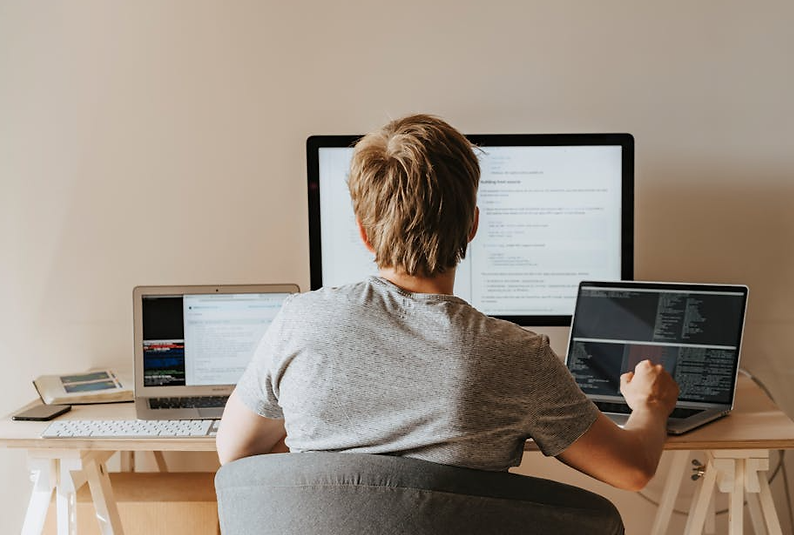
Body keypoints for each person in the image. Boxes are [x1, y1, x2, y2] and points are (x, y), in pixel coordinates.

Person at [216, 114, 678, 491]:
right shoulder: (518, 356)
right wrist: (650, 406)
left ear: (362, 230)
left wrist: (334, 476)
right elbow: (631, 470)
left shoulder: (300, 321)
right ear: (472, 225)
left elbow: (236, 451)